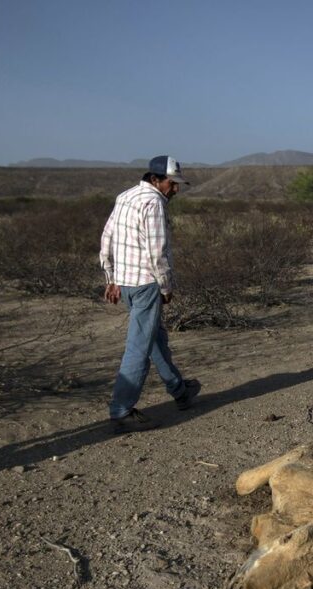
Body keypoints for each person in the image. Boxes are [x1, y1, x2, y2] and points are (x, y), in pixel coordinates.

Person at [99, 155, 201, 432]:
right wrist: (166, 287)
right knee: (139, 348)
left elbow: (107, 237)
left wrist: (111, 277)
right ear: (155, 180)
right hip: (146, 284)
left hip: (127, 283)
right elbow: (157, 253)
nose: (175, 189)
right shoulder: (154, 202)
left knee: (153, 338)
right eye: (172, 183)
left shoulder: (125, 196)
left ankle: (180, 391)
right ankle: (121, 410)